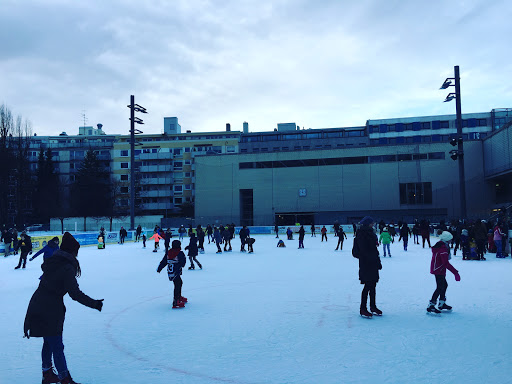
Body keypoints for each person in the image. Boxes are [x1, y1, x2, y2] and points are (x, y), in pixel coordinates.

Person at [24, 232, 104, 384]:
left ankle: (47, 374)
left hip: (39, 303)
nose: (77, 255)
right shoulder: (66, 266)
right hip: (49, 308)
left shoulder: (55, 260)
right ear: (72, 251)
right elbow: (74, 293)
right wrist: (94, 303)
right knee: (56, 344)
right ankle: (64, 379)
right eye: (76, 251)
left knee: (48, 342)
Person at [352, 216, 382, 318]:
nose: (373, 224)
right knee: (368, 286)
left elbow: (373, 249)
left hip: (372, 262)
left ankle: (373, 306)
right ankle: (363, 308)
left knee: (373, 285)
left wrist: (377, 262)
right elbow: (364, 250)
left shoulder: (370, 233)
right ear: (368, 224)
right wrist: (372, 259)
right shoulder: (362, 234)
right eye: (372, 223)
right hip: (366, 263)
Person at [427, 231, 460, 314]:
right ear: (447, 239)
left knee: (444, 285)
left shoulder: (443, 245)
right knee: (440, 287)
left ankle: (441, 303)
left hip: (439, 268)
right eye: (450, 239)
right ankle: (431, 305)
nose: (451, 241)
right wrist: (455, 272)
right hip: (438, 269)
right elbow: (445, 263)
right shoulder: (442, 248)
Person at [157, 239, 187, 309]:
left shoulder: (168, 252)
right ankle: (176, 301)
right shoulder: (180, 253)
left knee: (179, 283)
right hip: (176, 271)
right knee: (178, 284)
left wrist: (159, 268)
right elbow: (183, 263)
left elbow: (164, 261)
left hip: (170, 272)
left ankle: (178, 297)